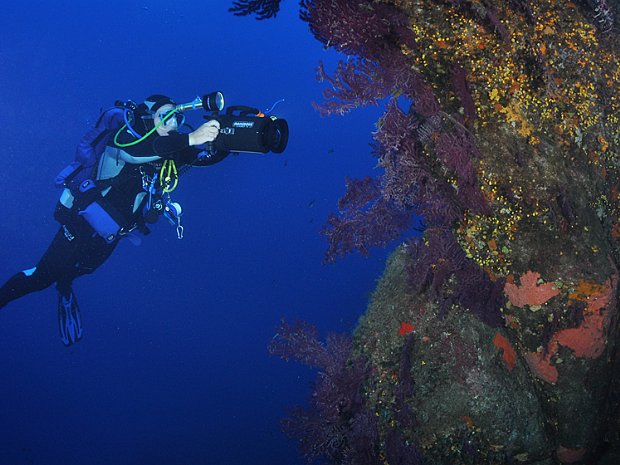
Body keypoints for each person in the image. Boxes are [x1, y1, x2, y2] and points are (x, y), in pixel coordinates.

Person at [0, 94, 229, 345]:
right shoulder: (123, 139)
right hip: (80, 225)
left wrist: (226, 141)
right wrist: (192, 138)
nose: (173, 121)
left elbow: (200, 158)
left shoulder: (170, 151)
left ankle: (65, 283)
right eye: (166, 115)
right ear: (147, 117)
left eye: (177, 116)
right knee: (41, 278)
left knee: (84, 269)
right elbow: (136, 153)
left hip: (112, 235)